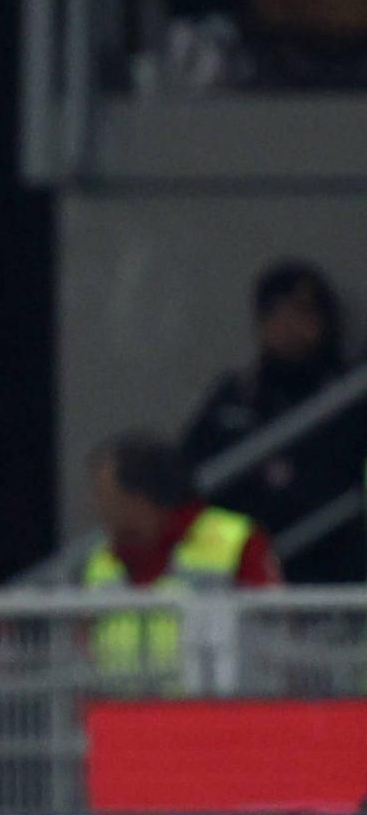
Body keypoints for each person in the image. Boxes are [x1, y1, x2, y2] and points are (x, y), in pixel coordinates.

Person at [181, 260, 358, 581]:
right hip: (249, 570)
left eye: (302, 314)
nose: (288, 327)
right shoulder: (235, 397)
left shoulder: (350, 397)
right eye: (275, 314)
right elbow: (189, 473)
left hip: (338, 564)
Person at [84, 429, 279, 688]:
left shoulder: (237, 541)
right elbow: (84, 651)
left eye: (103, 494)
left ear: (139, 498)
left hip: (213, 711)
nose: (96, 507)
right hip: (120, 712)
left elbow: (274, 639)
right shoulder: (101, 561)